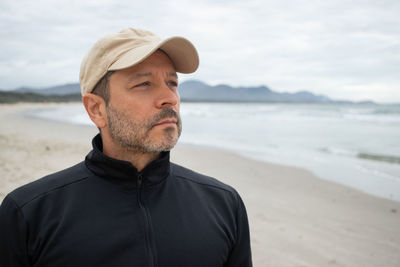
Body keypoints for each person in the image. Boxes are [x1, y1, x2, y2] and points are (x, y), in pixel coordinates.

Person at [0, 28, 252, 267]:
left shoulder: (223, 204)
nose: (170, 98)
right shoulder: (29, 213)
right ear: (97, 109)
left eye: (172, 83)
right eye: (144, 84)